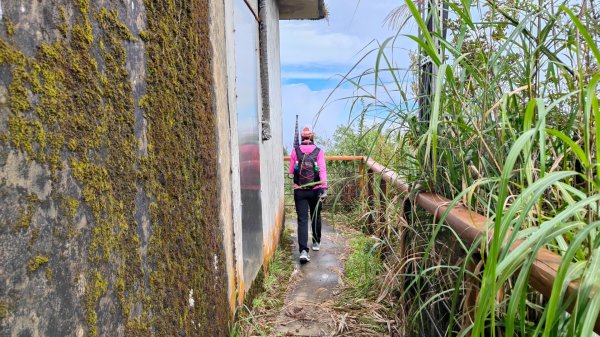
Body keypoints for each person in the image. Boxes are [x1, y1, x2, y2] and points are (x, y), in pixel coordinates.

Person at [289, 125, 328, 263]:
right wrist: (324, 187)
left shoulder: (295, 151)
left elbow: (291, 171)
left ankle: (304, 251)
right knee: (316, 215)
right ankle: (316, 242)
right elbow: (322, 170)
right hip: (316, 189)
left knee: (302, 220)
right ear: (312, 136)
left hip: (300, 190)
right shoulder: (319, 151)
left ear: (302, 137)